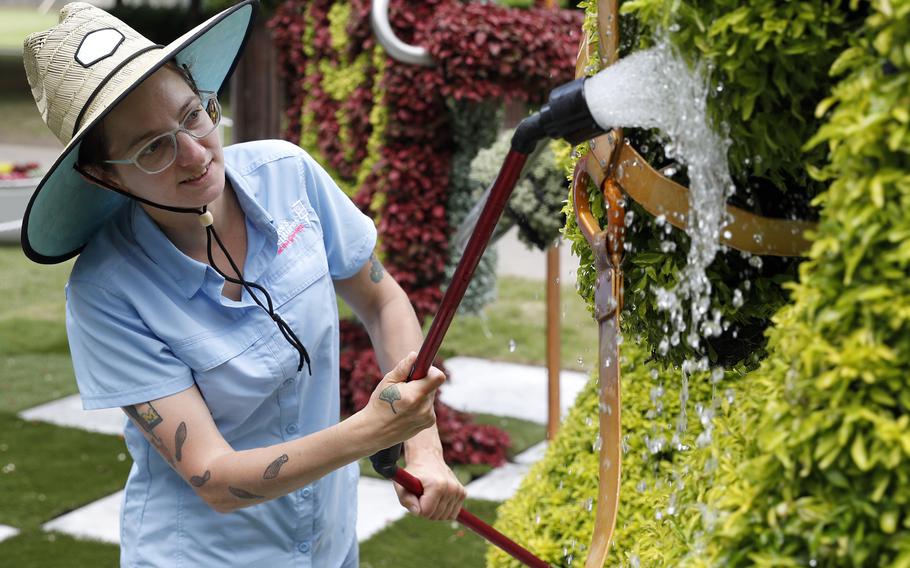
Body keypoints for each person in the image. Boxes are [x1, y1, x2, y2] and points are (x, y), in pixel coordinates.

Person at [21, 1, 466, 565]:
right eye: (153, 147)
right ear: (103, 175)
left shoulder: (289, 174)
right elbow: (213, 477)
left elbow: (381, 300)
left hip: (330, 544)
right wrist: (373, 430)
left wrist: (422, 445)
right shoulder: (106, 292)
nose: (194, 153)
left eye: (194, 113)